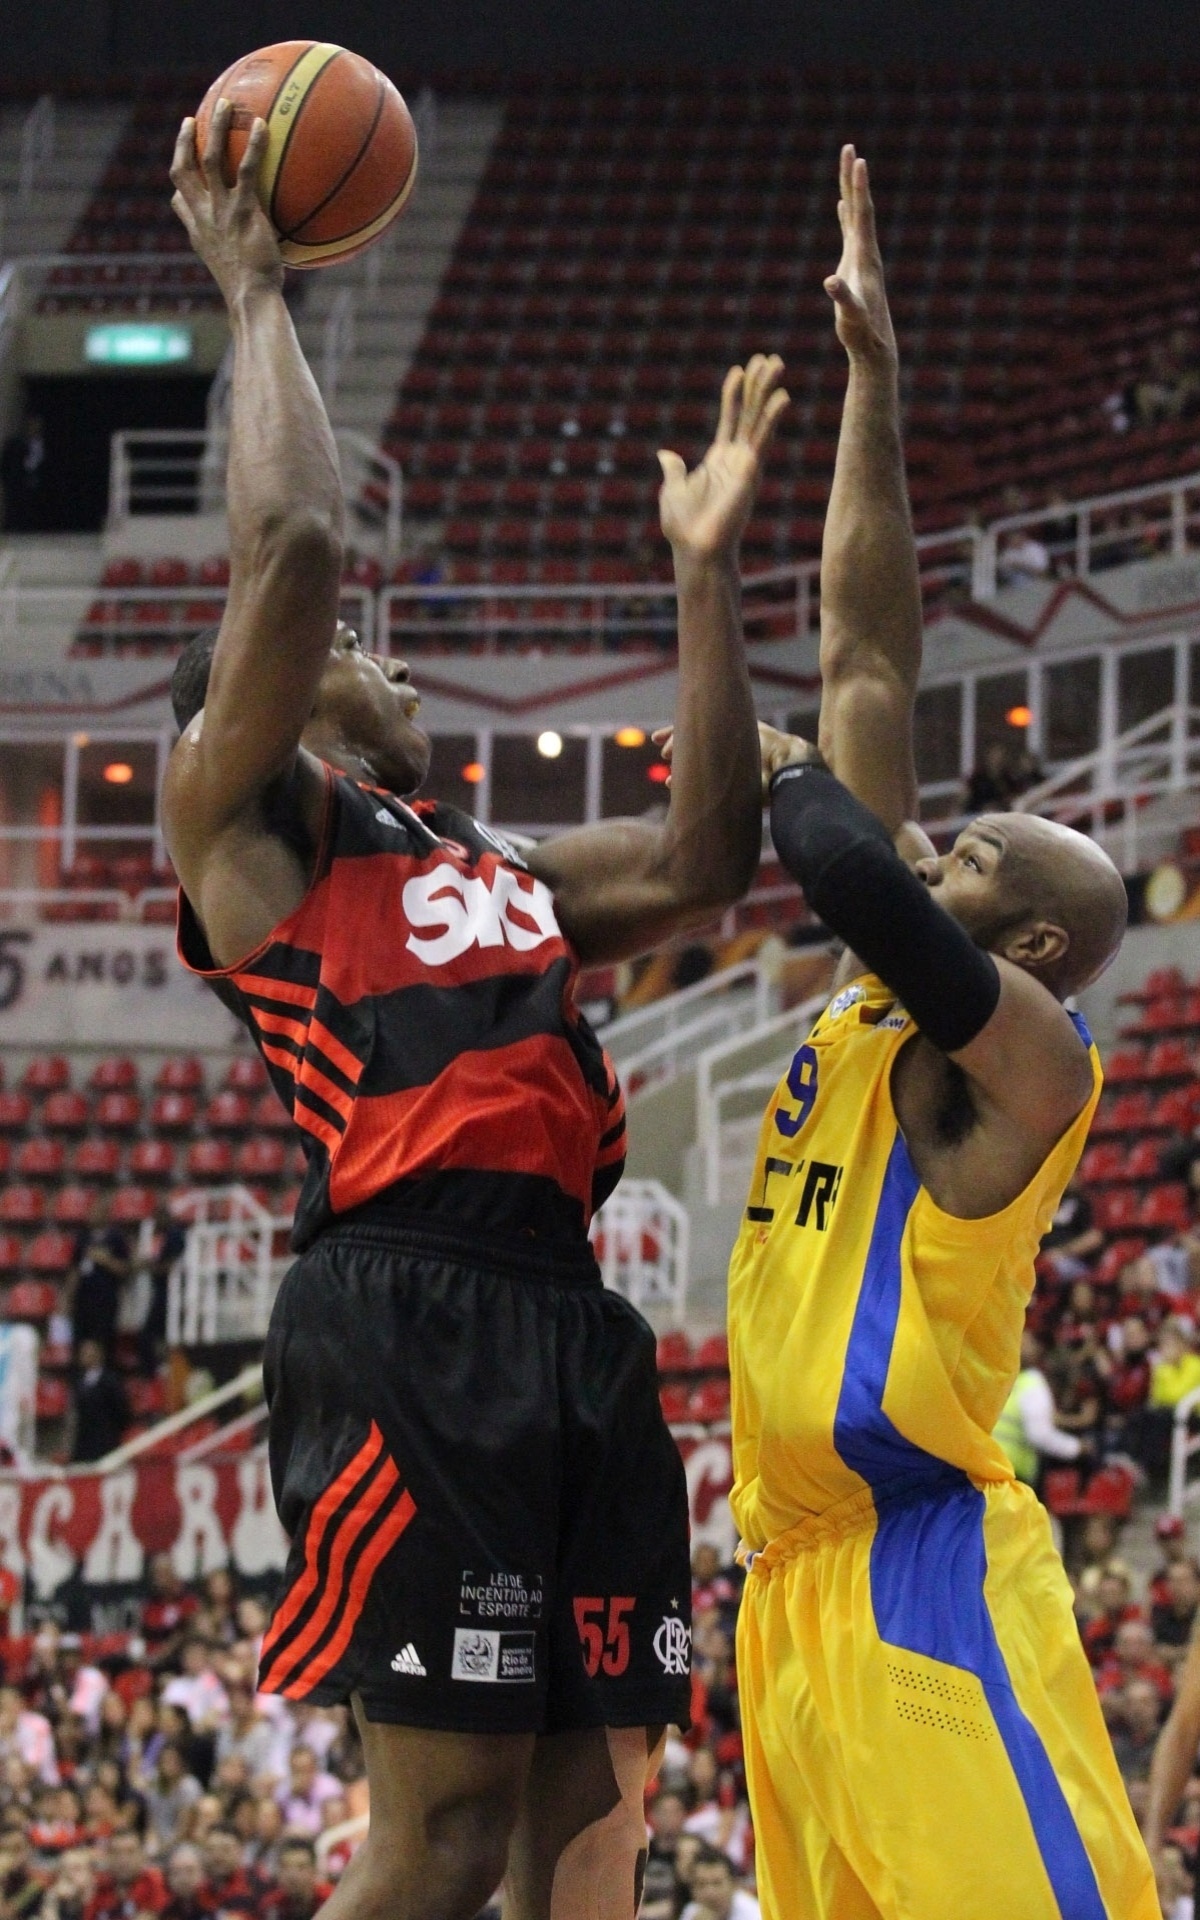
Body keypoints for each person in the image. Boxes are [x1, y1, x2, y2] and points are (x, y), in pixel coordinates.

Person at [161, 101, 786, 1920]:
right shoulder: (246, 818)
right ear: (265, 698)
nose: (393, 659)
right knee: (433, 1840)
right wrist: (256, 286)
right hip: (408, 1313)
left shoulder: (493, 859)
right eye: (364, 657)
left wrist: (700, 573)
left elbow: (705, 861)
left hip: (567, 1324)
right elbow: (288, 553)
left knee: (587, 1844)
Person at [722, 147, 1155, 1919]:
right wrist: (877, 382)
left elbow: (840, 842)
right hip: (784, 1588)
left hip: (926, 1568)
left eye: (978, 848)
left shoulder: (1035, 1057)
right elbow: (869, 651)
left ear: (1037, 934)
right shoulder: (890, 978)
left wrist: (778, 773)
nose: (944, 835)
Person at [993, 1324, 1087, 1487]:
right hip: (1012, 1474)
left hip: (990, 1467)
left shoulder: (1008, 1381)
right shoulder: (1033, 1384)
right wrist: (1077, 1448)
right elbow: (1039, 1435)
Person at [69, 1341, 129, 1464]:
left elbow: (121, 1409)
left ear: (97, 1355)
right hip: (84, 1441)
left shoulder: (110, 1380)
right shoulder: (79, 1380)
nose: (83, 1356)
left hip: (105, 1439)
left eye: (87, 1353)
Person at [679, 1848, 760, 1920]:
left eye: (717, 1883)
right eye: (701, 1884)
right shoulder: (692, 1911)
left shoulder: (754, 1914)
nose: (710, 1892)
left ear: (734, 1885)